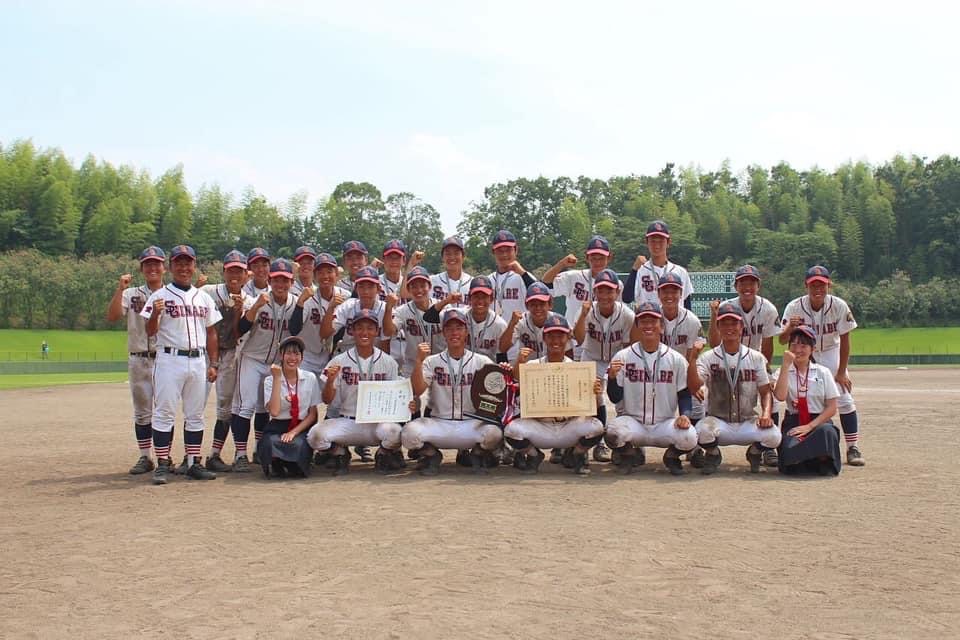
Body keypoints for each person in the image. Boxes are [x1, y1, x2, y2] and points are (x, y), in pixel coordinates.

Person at [140, 244, 221, 485]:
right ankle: (163, 463)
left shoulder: (203, 297)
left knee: (195, 414)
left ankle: (193, 462)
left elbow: (212, 332)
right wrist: (155, 314)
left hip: (198, 360)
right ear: (171, 266)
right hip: (169, 359)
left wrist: (213, 362)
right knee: (164, 413)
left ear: (194, 266)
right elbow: (150, 332)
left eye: (188, 262)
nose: (184, 267)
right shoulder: (159, 296)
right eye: (179, 263)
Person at [780, 266, 865, 467]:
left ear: (828, 285)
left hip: (829, 351)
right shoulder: (794, 306)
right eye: (813, 285)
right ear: (806, 286)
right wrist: (790, 328)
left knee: (844, 397)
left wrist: (841, 371)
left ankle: (852, 447)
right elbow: (783, 340)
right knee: (790, 395)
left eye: (822, 284)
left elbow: (845, 340)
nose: (818, 288)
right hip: (802, 351)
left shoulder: (839, 305)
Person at [401, 309, 503, 475]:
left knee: (494, 433)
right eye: (449, 329)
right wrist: (418, 361)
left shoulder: (481, 361)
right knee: (408, 433)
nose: (454, 332)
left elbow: (496, 393)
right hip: (440, 423)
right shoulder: (432, 361)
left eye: (459, 328)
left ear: (466, 332)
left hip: (471, 424)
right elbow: (417, 390)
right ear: (443, 333)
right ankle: (432, 455)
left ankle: (477, 453)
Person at [307, 310, 405, 475]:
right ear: (351, 331)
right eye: (359, 328)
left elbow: (395, 399)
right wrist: (330, 381)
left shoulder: (388, 362)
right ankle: (340, 452)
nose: (364, 332)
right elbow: (326, 400)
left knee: (396, 433)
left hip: (377, 424)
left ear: (377, 331)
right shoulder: (338, 361)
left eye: (369, 328)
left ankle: (383, 454)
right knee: (315, 436)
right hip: (348, 422)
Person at [605, 302, 697, 476]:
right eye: (643, 321)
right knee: (612, 433)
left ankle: (671, 457)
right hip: (634, 423)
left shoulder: (675, 359)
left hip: (665, 424)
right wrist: (611, 379)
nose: (648, 325)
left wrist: (685, 415)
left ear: (661, 326)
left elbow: (684, 393)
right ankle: (628, 455)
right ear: (638, 325)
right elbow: (615, 398)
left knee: (690, 437)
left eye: (653, 321)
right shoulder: (623, 357)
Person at [506, 315, 605, 475]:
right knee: (511, 430)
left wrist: (595, 392)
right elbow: (515, 383)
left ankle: (577, 454)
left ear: (568, 338)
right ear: (544, 338)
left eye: (560, 336)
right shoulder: (532, 366)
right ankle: (534, 455)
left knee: (596, 427)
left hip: (568, 427)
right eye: (551, 336)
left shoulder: (577, 369)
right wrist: (519, 362)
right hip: (540, 427)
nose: (556, 340)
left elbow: (591, 408)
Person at [687, 302, 778, 475]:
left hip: (747, 421)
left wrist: (766, 413)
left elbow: (765, 391)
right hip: (718, 422)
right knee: (699, 432)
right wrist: (692, 359)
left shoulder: (756, 357)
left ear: (741, 327)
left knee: (774, 436)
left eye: (734, 323)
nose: (729, 328)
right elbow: (694, 385)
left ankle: (754, 453)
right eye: (724, 323)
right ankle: (713, 454)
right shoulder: (708, 357)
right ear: (718, 327)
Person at [707, 264, 781, 467]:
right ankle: (708, 448)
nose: (747, 286)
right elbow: (714, 343)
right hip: (725, 360)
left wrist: (764, 371)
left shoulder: (767, 308)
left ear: (758, 285)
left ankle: (768, 448)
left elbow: (767, 345)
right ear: (736, 285)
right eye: (742, 282)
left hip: (754, 360)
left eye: (751, 282)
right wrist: (714, 316)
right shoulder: (727, 307)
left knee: (771, 398)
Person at [230, 258, 297, 471]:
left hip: (275, 363)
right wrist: (256, 307)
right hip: (252, 358)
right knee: (245, 406)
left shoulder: (295, 303)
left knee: (264, 408)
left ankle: (260, 449)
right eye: (276, 280)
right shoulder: (258, 300)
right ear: (270, 280)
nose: (280, 285)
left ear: (291, 282)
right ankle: (240, 453)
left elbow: (296, 329)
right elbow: (240, 329)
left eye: (284, 280)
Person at [105, 245, 166, 474]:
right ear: (142, 268)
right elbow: (112, 317)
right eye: (147, 264)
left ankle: (164, 457)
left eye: (156, 263)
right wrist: (119, 289)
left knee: (163, 411)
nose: (152, 267)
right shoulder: (131, 294)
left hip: (164, 358)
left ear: (164, 267)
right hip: (139, 357)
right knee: (142, 412)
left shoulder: (171, 293)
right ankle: (145, 457)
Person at [572, 268, 634, 463]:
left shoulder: (626, 314)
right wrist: (582, 315)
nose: (605, 295)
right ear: (595, 292)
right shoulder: (586, 311)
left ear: (617, 292)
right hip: (592, 357)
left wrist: (618, 370)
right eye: (601, 290)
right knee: (593, 399)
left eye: (610, 290)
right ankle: (597, 443)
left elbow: (628, 345)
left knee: (622, 400)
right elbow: (579, 339)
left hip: (617, 358)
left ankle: (624, 443)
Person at [202, 250, 253, 472]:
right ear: (224, 271)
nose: (235, 274)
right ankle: (189, 456)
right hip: (202, 355)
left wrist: (240, 311)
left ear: (246, 275)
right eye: (231, 269)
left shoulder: (250, 301)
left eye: (239, 271)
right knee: (195, 406)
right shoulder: (207, 292)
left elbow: (239, 333)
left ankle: (214, 454)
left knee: (225, 408)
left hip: (231, 356)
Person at [772, 325, 842, 476]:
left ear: (813, 349)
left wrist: (810, 426)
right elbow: (780, 396)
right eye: (794, 345)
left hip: (818, 420)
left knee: (827, 432)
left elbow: (831, 407)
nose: (798, 350)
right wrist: (785, 366)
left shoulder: (823, 372)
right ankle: (807, 460)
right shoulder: (783, 371)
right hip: (794, 420)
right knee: (789, 450)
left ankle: (821, 461)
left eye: (803, 345)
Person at [542, 235, 619, 359]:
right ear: (587, 257)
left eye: (601, 258)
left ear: (609, 257)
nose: (597, 262)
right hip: (571, 344)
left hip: (597, 344)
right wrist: (562, 264)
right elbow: (545, 283)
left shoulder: (616, 284)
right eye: (593, 258)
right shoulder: (574, 277)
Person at [257, 336, 320, 478]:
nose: (292, 358)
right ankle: (276, 464)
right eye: (289, 353)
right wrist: (278, 378)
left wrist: (293, 433)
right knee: (269, 443)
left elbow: (312, 414)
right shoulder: (270, 380)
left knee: (298, 445)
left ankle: (293, 465)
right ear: (281, 355)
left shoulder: (310, 378)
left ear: (302, 357)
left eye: (297, 354)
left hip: (300, 425)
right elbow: (274, 411)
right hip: (278, 426)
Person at [288, 252, 351, 380]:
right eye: (320, 272)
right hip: (307, 356)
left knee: (328, 397)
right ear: (315, 275)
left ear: (337, 274)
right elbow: (294, 329)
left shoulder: (346, 297)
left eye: (329, 271)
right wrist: (300, 303)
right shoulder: (308, 298)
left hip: (331, 356)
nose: (325, 276)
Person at [423, 275, 508, 361]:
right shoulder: (458, 314)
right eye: (476, 296)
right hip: (461, 368)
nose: (480, 301)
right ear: (470, 298)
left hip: (486, 370)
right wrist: (446, 301)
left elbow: (501, 355)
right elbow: (428, 317)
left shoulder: (499, 324)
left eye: (484, 297)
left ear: (491, 299)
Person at [622, 220, 694, 308]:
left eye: (661, 241)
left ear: (668, 242)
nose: (657, 245)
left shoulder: (680, 272)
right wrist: (634, 270)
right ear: (646, 242)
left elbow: (687, 306)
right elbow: (626, 298)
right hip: (648, 320)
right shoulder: (640, 270)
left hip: (674, 321)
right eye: (653, 241)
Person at [389, 266, 444, 376]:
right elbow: (390, 332)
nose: (419, 290)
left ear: (430, 287)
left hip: (441, 365)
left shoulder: (443, 308)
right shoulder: (402, 311)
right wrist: (388, 308)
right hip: (412, 366)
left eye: (423, 286)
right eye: (414, 287)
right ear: (408, 290)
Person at [429, 236, 472, 310]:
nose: (452, 257)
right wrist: (411, 264)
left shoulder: (472, 283)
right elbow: (405, 293)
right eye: (448, 254)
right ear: (442, 257)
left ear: (463, 256)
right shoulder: (431, 280)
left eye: (456, 253)